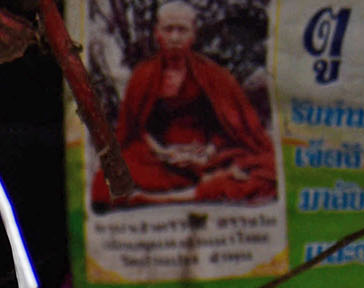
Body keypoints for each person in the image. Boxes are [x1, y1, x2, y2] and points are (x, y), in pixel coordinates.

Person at [105, 0, 276, 203]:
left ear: (193, 34)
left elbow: (231, 125)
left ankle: (167, 197)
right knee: (105, 181)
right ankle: (209, 184)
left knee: (267, 168)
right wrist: (163, 151)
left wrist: (208, 151)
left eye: (182, 30)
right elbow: (135, 129)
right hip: (160, 158)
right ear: (157, 33)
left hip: (208, 155)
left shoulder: (213, 74)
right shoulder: (143, 74)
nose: (175, 37)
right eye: (168, 30)